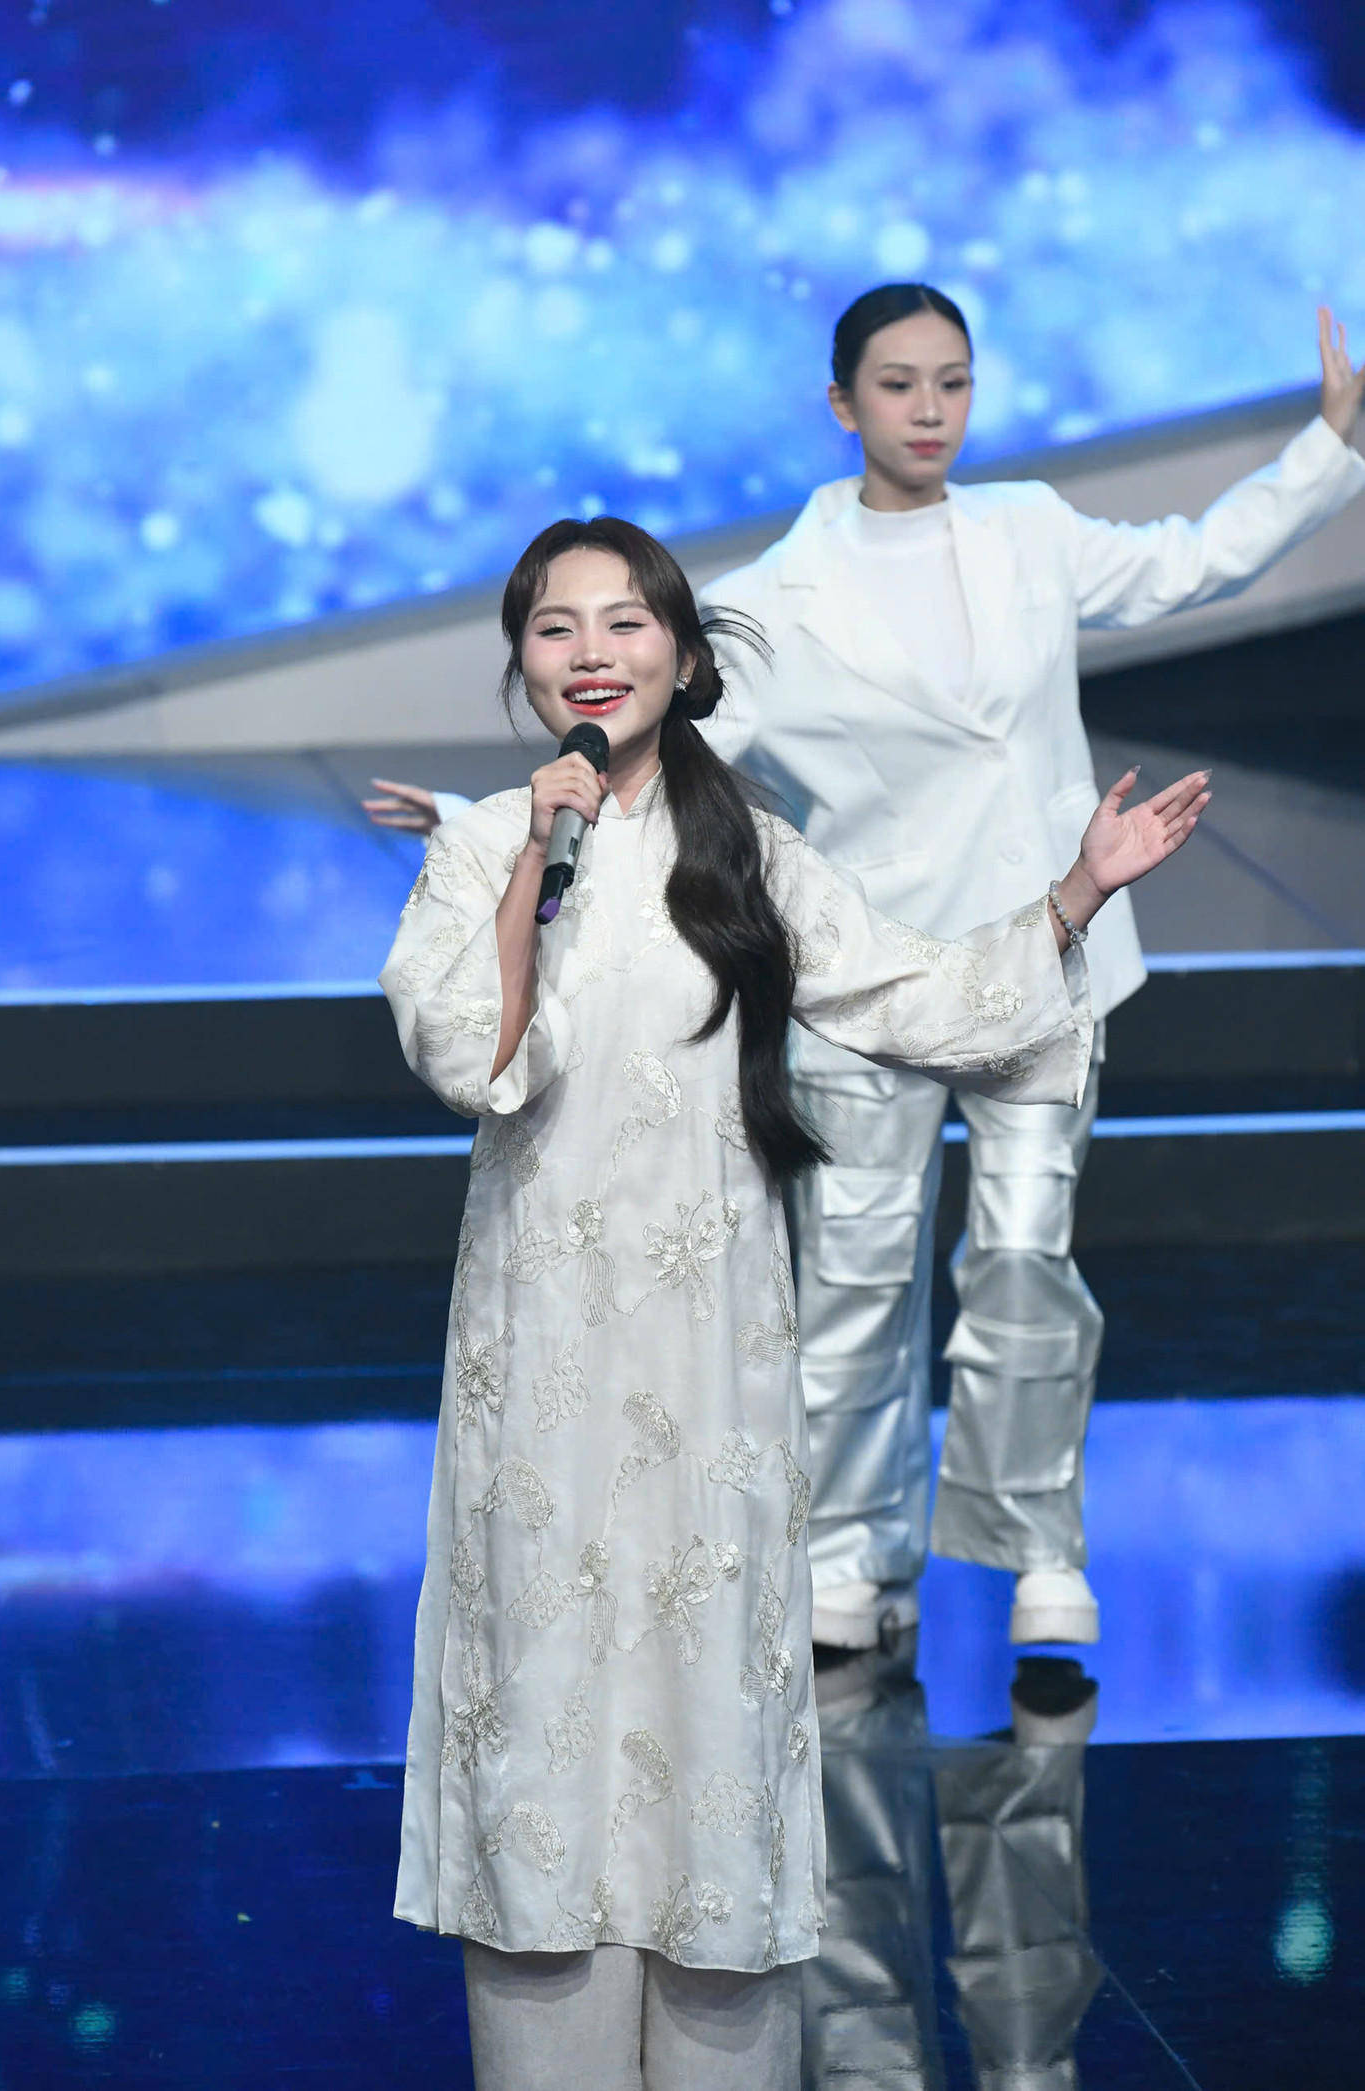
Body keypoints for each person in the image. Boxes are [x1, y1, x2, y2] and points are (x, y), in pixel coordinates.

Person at [364, 295, 1365, 1659]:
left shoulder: (1028, 530)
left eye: (953, 380)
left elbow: (1193, 561)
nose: (929, 409)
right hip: (861, 964)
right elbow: (645, 747)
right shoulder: (777, 599)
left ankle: (1037, 1542)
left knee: (1026, 1257)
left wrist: (1329, 444)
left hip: (1038, 953)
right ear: (842, 404)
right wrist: (481, 823)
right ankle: (852, 1548)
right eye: (897, 383)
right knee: (851, 1273)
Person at [379, 512, 1207, 2088]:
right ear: (522, 667)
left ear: (684, 660)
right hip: (540, 1352)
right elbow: (471, 1058)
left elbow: (912, 993)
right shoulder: (484, 845)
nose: (591, 654)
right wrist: (536, 864)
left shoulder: (743, 844)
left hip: (709, 1352)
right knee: (544, 1694)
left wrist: (1071, 898)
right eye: (556, 629)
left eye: (625, 624)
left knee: (704, 1707)